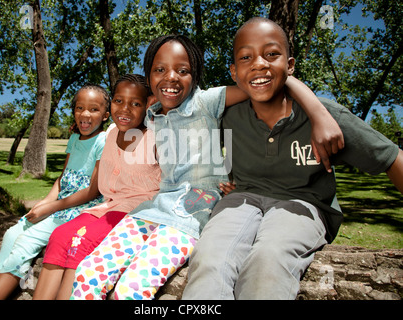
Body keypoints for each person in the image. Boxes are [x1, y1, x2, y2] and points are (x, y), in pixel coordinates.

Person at [70, 34, 345, 300]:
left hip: (192, 215)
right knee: (87, 274)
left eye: (183, 70)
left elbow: (261, 84)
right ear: (149, 76)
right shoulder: (153, 113)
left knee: (130, 289)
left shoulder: (207, 101)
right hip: (155, 208)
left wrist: (318, 112)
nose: (171, 77)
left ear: (196, 76)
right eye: (160, 70)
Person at [182, 17, 403, 300]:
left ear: (290, 64)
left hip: (303, 204)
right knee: (210, 256)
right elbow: (194, 142)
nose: (259, 63)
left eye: (271, 54)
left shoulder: (324, 116)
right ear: (234, 72)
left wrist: (317, 112)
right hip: (243, 200)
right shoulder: (230, 116)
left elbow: (390, 158)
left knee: (269, 257)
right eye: (246, 57)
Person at [32, 74, 161, 300]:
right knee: (61, 235)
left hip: (137, 212)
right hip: (107, 206)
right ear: (110, 103)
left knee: (81, 242)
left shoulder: (156, 137)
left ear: (149, 104)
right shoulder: (110, 132)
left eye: (136, 103)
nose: (125, 109)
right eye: (119, 101)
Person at [0, 84, 110, 300]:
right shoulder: (74, 139)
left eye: (94, 109)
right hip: (59, 205)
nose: (85, 114)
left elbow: (92, 191)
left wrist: (52, 207)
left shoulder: (102, 140)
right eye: (79, 108)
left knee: (26, 241)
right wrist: (44, 203)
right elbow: (63, 178)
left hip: (78, 210)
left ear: (106, 115)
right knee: (12, 233)